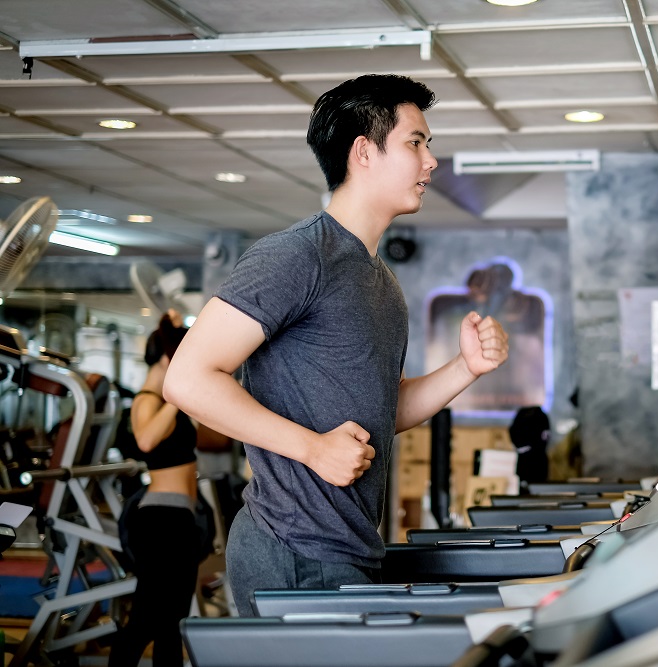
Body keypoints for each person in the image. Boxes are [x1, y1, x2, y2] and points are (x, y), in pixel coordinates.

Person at [163, 74, 509, 616]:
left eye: (428, 145)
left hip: (347, 546)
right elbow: (186, 379)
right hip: (293, 546)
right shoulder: (296, 256)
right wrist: (311, 447)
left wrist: (466, 368)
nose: (430, 161)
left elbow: (380, 411)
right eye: (415, 143)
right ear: (364, 153)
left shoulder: (379, 279)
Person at [109, 312, 200, 667]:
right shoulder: (148, 400)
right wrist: (177, 396)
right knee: (145, 620)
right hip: (161, 521)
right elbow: (145, 440)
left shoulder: (165, 402)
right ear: (168, 358)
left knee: (171, 625)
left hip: (180, 519)